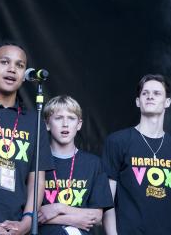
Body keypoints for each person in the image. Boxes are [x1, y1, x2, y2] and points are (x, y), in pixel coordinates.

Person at [0, 42, 54, 235]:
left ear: (25, 75)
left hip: (14, 227)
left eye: (19, 65)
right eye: (5, 62)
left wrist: (27, 221)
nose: (12, 69)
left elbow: (37, 179)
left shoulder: (35, 120)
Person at [102, 74, 171, 235]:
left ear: (168, 102)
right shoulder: (118, 142)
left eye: (157, 93)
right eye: (145, 93)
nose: (150, 96)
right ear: (138, 101)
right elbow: (107, 202)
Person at [39, 95, 113, 235]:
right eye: (58, 118)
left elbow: (96, 216)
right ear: (47, 124)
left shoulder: (93, 163)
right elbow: (30, 215)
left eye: (71, 118)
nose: (65, 124)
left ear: (79, 125)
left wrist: (59, 208)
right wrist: (75, 219)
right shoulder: (36, 161)